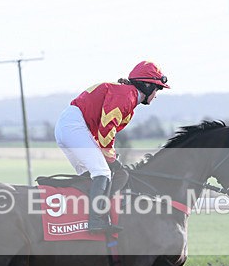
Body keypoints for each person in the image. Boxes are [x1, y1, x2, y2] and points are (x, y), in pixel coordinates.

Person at [54, 60, 170, 233]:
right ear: (147, 85)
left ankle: (78, 220)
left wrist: (109, 156)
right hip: (74, 126)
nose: (157, 94)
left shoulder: (127, 97)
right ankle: (96, 222)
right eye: (157, 89)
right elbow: (107, 128)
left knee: (89, 176)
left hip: (70, 126)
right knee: (102, 172)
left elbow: (105, 133)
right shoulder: (127, 96)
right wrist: (111, 158)